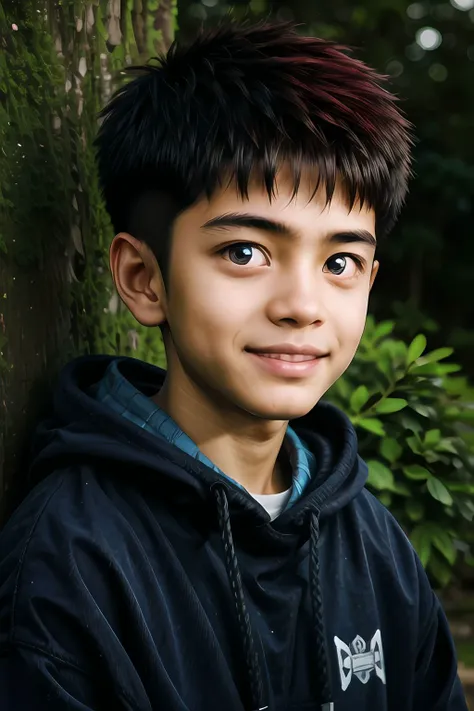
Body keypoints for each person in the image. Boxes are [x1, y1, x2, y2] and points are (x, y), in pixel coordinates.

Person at [0, 18, 467, 711]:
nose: (302, 304)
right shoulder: (71, 560)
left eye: (340, 262)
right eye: (246, 251)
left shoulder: (372, 543)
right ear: (144, 278)